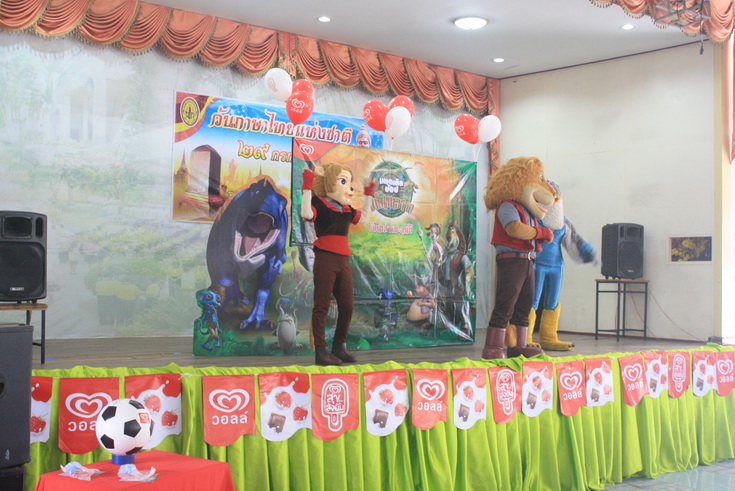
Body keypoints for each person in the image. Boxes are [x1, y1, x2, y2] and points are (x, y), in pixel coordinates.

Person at [301, 162, 375, 365]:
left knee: (347, 306)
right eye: (343, 181)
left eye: (350, 183)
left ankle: (339, 346)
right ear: (328, 182)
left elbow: (364, 217)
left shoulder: (346, 209)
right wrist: (307, 187)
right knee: (322, 305)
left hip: (343, 259)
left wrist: (369, 194)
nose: (349, 188)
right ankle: (321, 350)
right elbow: (306, 214)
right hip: (325, 257)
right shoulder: (319, 203)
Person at [482, 156, 556, 359]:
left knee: (525, 304)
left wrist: (541, 235)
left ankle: (518, 345)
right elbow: (514, 228)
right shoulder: (508, 206)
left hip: (528, 260)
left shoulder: (527, 211)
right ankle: (493, 346)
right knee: (506, 302)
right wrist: (541, 233)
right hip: (512, 260)